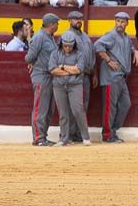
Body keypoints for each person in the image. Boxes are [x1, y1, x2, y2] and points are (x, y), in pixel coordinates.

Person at [94, 11, 138, 143]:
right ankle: (108, 135)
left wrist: (135, 51)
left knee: (126, 104)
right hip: (110, 77)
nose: (119, 24)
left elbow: (130, 47)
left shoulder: (125, 36)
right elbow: (97, 45)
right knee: (110, 107)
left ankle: (112, 131)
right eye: (118, 21)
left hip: (121, 77)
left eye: (122, 21)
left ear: (127, 23)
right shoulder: (111, 35)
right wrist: (108, 60)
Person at [50, 31, 92, 146]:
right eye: (65, 45)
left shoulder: (79, 54)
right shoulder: (55, 53)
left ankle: (86, 137)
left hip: (75, 85)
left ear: (74, 44)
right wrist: (71, 71)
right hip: (59, 86)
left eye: (70, 45)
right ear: (61, 44)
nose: (67, 48)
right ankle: (64, 139)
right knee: (63, 113)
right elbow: (53, 70)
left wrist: (63, 67)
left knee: (78, 110)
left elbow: (79, 70)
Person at [25, 13, 60, 146]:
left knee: (48, 109)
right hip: (41, 75)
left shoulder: (50, 37)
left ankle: (42, 136)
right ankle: (38, 138)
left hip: (50, 76)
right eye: (57, 23)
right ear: (51, 24)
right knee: (41, 108)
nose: (58, 25)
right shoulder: (39, 37)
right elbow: (29, 58)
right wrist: (33, 62)